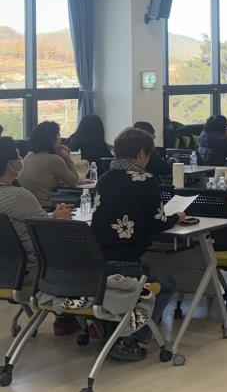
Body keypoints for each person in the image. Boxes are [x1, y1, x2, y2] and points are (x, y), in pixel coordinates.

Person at [91, 127, 184, 361]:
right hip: (127, 265)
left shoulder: (104, 178)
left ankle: (112, 330)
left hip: (99, 262)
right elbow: (155, 223)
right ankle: (133, 338)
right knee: (166, 285)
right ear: (142, 153)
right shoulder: (145, 180)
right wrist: (176, 217)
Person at [0, 137, 75, 335]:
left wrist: (52, 217)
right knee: (80, 257)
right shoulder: (18, 196)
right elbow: (46, 234)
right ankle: (70, 317)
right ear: (11, 164)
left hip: (6, 270)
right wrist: (61, 219)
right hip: (32, 271)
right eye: (18, 156)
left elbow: (28, 221)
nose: (21, 159)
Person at [18, 121, 82, 208]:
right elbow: (74, 180)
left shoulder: (28, 156)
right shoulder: (54, 159)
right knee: (81, 201)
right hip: (43, 206)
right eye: (58, 135)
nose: (60, 139)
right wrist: (67, 157)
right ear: (53, 139)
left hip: (25, 205)